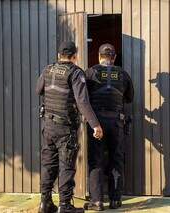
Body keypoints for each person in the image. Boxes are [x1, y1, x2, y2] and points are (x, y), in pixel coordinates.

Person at [36, 41, 103, 213]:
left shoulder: (47, 69)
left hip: (48, 126)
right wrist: (95, 125)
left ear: (59, 55)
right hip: (65, 128)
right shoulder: (75, 72)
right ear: (74, 56)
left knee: (48, 164)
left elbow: (38, 90)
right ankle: (65, 206)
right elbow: (82, 101)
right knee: (66, 165)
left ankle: (45, 203)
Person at [84, 44, 134, 211]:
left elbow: (83, 96)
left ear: (99, 56)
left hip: (96, 124)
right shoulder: (123, 74)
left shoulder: (91, 72)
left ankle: (97, 201)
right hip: (116, 123)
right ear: (113, 58)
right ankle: (115, 200)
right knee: (116, 159)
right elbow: (130, 98)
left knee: (96, 160)